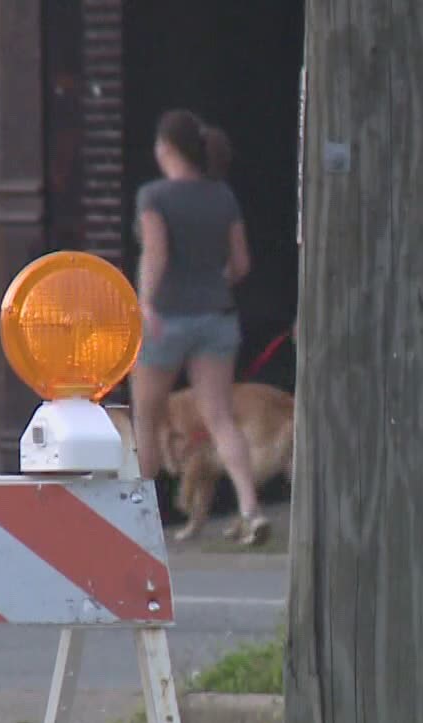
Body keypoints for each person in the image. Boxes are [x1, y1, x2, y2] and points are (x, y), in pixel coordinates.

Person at [130, 109, 268, 544]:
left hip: (165, 318)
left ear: (165, 149)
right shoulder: (222, 196)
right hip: (217, 318)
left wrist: (145, 302)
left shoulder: (154, 196)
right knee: (220, 417)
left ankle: (136, 519)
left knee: (147, 419)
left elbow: (156, 255)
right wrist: (211, 283)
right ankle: (250, 507)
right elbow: (241, 263)